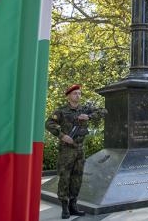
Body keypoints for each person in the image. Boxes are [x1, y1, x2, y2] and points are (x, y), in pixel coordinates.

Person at [45, 84, 107, 219]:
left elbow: (104, 111)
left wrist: (89, 117)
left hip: (80, 149)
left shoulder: (85, 109)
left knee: (77, 178)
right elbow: (49, 123)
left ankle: (74, 205)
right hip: (66, 150)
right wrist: (62, 135)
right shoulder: (61, 111)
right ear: (68, 96)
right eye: (75, 94)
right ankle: (65, 207)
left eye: (79, 93)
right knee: (65, 178)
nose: (77, 96)